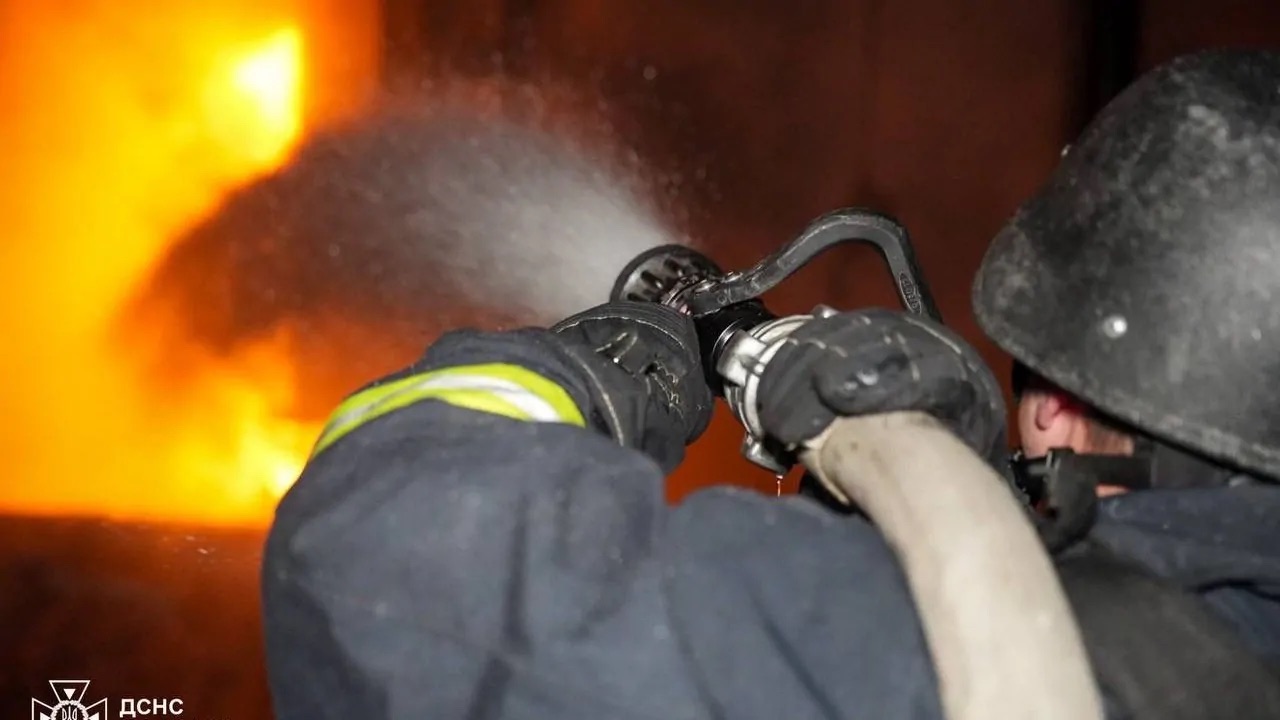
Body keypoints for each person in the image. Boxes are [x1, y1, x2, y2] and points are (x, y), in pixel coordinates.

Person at [261, 49, 1280, 719]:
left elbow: (376, 557)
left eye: (1043, 375)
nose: (1033, 411)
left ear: (1059, 407)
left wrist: (600, 372)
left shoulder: (943, 652)